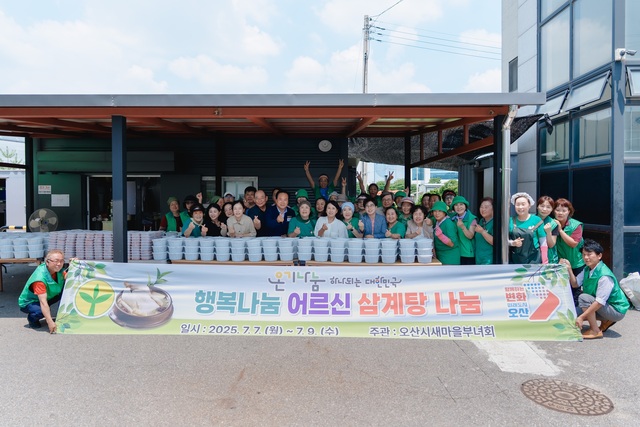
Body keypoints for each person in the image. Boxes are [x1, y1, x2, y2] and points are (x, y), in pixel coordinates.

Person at [563, 239, 630, 339]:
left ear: (599, 256)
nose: (586, 257)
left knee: (583, 298)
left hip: (616, 310)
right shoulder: (587, 269)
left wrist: (582, 317)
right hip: (602, 306)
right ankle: (606, 320)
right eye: (584, 254)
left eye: (589, 254)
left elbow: (599, 302)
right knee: (570, 316)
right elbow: (575, 284)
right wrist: (569, 269)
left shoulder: (604, 276)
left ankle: (595, 331)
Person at [18, 249, 68, 333]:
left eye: (61, 261)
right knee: (39, 311)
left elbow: (69, 277)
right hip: (31, 302)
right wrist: (50, 322)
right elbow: (43, 302)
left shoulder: (58, 270)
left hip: (48, 295)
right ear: (47, 262)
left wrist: (75, 264)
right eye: (56, 261)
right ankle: (32, 319)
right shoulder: (40, 279)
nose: (59, 264)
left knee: (67, 289)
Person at [554, 198, 584, 306]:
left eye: (564, 210)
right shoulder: (551, 223)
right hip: (559, 262)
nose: (560, 213)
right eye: (557, 210)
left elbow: (573, 243)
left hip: (576, 263)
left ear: (569, 212)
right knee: (560, 290)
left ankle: (575, 313)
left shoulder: (576, 225)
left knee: (574, 290)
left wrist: (560, 230)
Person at [508, 192, 547, 264]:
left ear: (529, 205)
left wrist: (545, 261)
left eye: (523, 204)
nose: (520, 207)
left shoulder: (537, 220)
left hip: (534, 259)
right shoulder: (510, 221)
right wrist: (512, 243)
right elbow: (503, 241)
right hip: (515, 260)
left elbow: (543, 242)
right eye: (517, 204)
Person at [451, 195, 477, 265]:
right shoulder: (453, 218)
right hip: (456, 252)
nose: (459, 207)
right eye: (456, 205)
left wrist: (463, 227)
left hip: (468, 254)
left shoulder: (472, 219)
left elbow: (470, 236)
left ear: (465, 206)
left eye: (461, 204)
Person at [537, 196, 559, 264]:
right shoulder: (530, 220)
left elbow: (551, 245)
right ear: (537, 206)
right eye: (542, 206)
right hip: (532, 256)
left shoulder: (554, 224)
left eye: (548, 207)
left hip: (548, 258)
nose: (544, 209)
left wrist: (548, 232)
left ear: (552, 209)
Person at [474, 197, 494, 265]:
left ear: (493, 208)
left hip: (489, 260)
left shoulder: (496, 222)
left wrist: (482, 232)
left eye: (486, 207)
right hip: (478, 259)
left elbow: (495, 242)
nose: (483, 209)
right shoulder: (481, 221)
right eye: (481, 207)